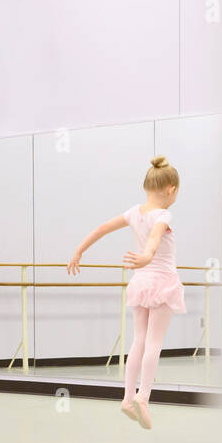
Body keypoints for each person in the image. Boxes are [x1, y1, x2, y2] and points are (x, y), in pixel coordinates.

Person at [67, 155, 186, 429]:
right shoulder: (163, 214)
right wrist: (147, 255)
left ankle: (126, 397)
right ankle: (143, 397)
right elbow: (155, 238)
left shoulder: (134, 212)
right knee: (154, 342)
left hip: (141, 282)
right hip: (162, 282)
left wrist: (79, 250)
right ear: (171, 189)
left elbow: (102, 228)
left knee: (138, 340)